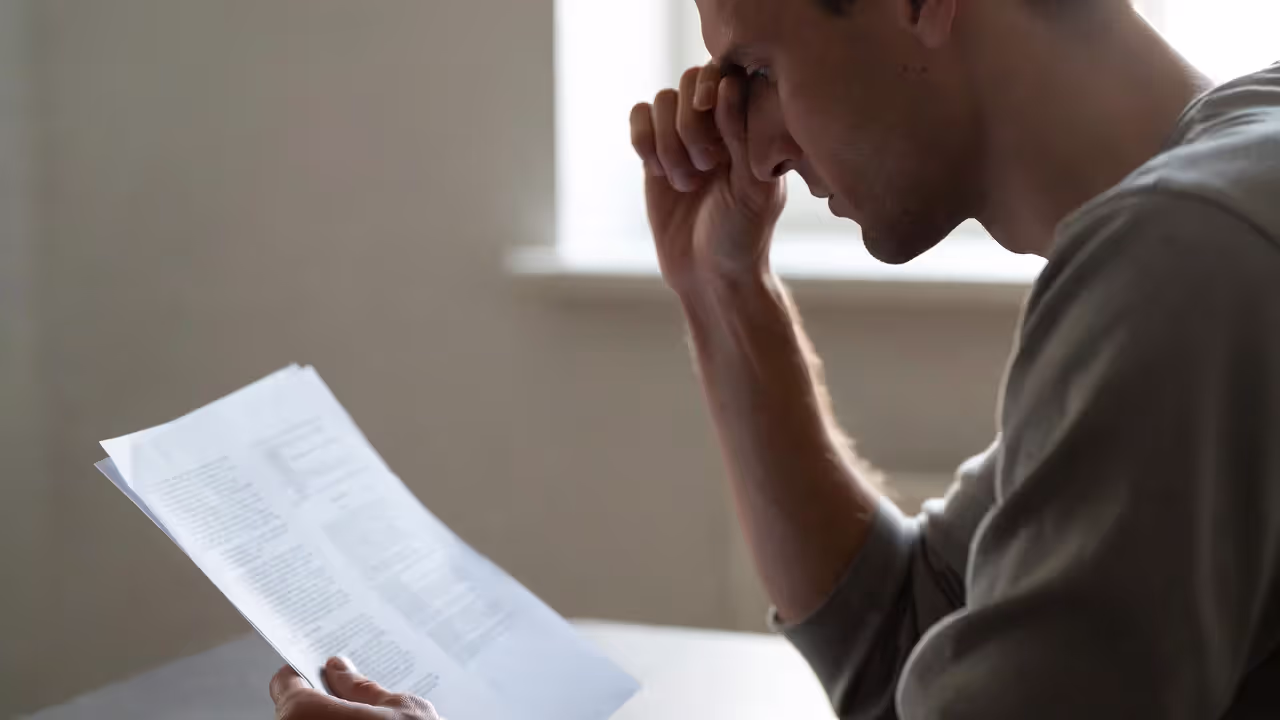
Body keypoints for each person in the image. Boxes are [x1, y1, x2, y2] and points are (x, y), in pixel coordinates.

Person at [272, 0, 1280, 717]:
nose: (754, 146)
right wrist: (723, 294)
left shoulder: (1182, 254)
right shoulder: (1213, 207)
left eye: (755, 69)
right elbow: (901, 644)